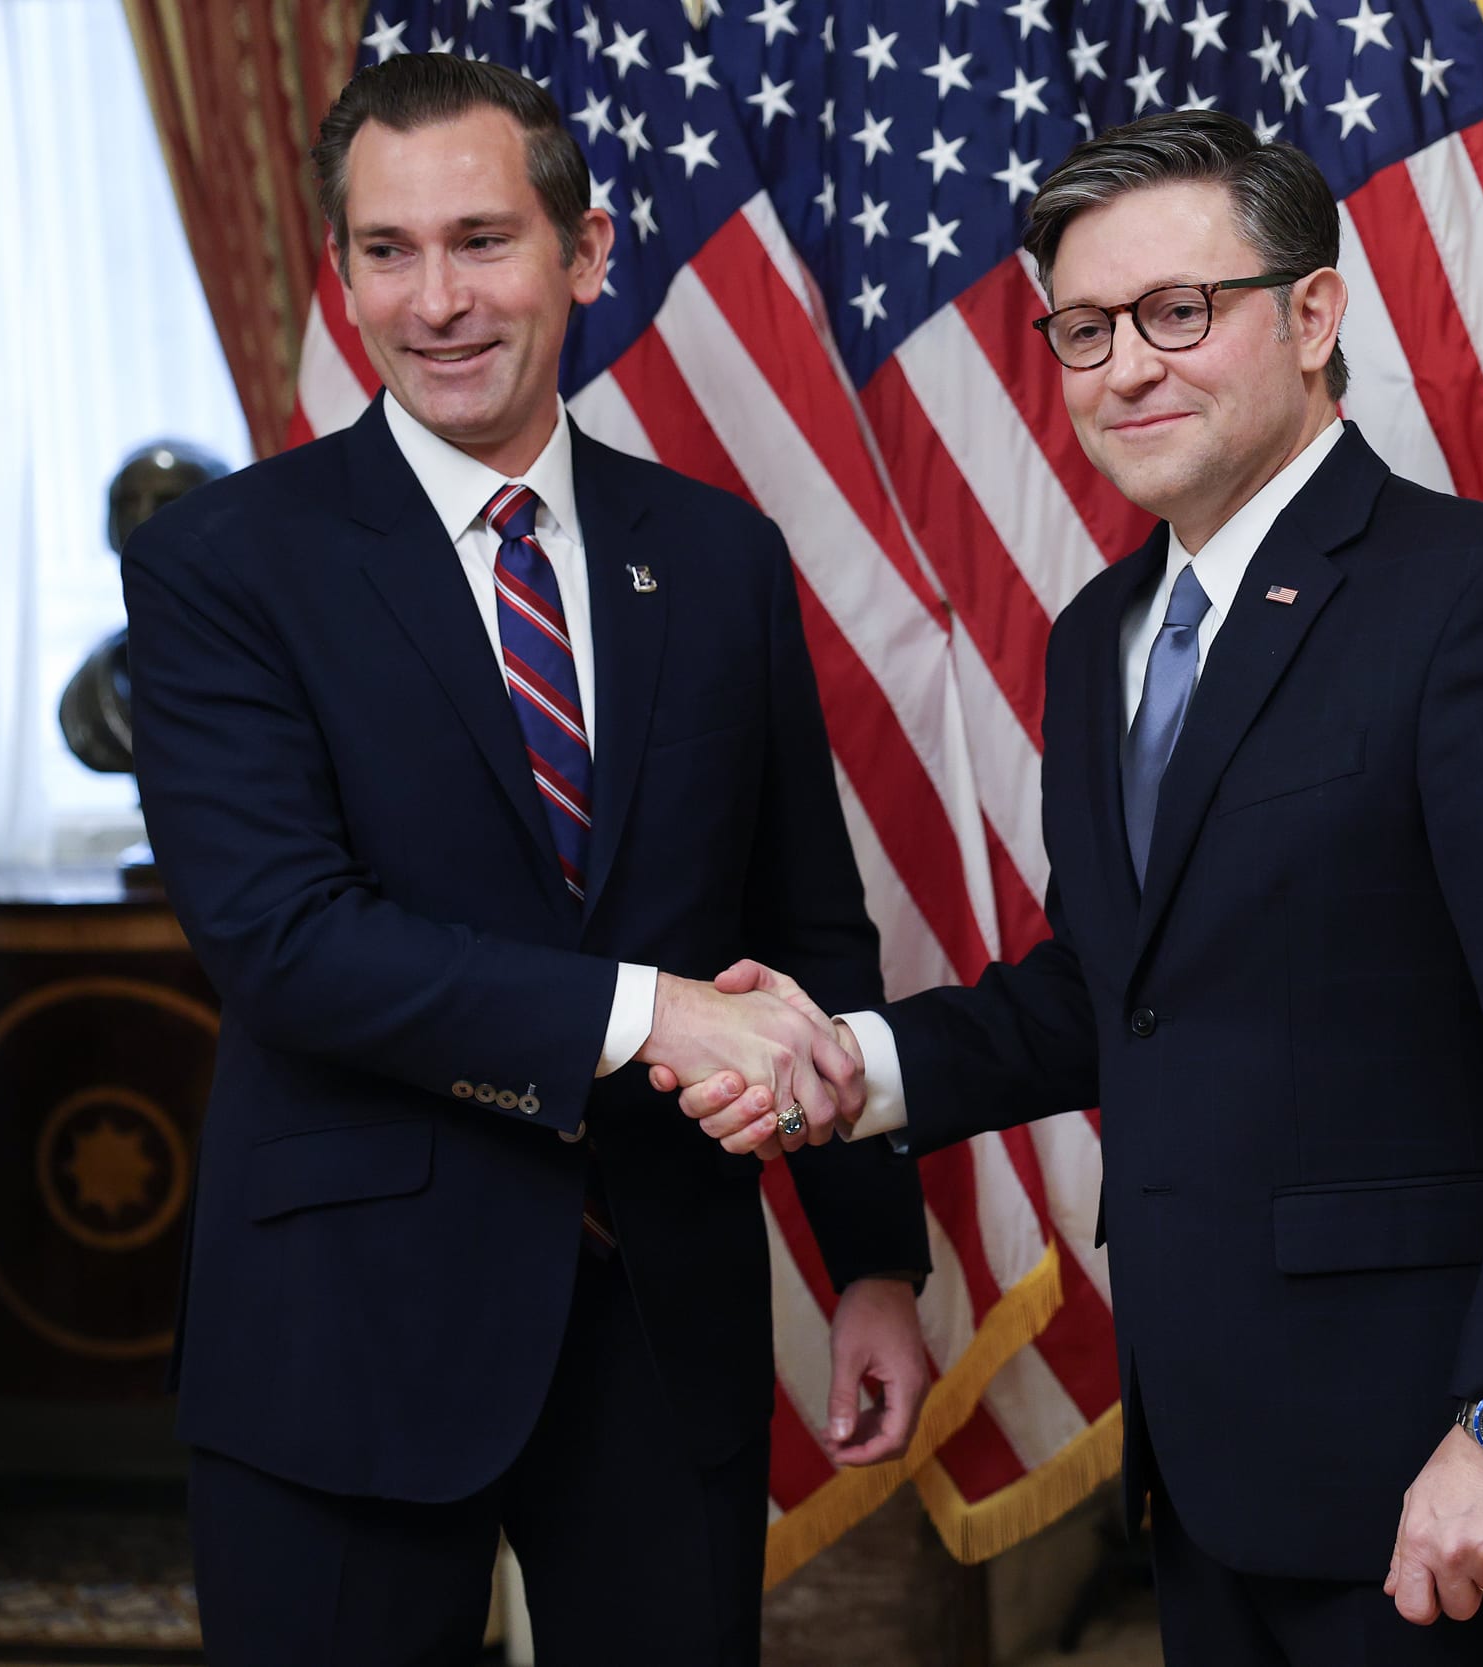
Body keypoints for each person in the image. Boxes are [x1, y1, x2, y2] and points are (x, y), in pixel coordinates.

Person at [673, 110, 1483, 1666]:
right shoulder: (1101, 640)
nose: (1127, 368)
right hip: (1213, 1479)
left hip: (1452, 1476)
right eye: (1085, 330)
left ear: (1312, 313)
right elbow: (1115, 987)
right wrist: (847, 1065)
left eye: (1178, 312)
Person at [124, 55, 929, 1666]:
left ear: (588, 251)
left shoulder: (716, 557)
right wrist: (650, 1017)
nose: (437, 301)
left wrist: (874, 1266)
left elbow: (806, 927)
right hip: (346, 1330)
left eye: (483, 241)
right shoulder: (224, 566)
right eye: (387, 251)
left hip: (663, 1315)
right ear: (341, 272)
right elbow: (289, 944)